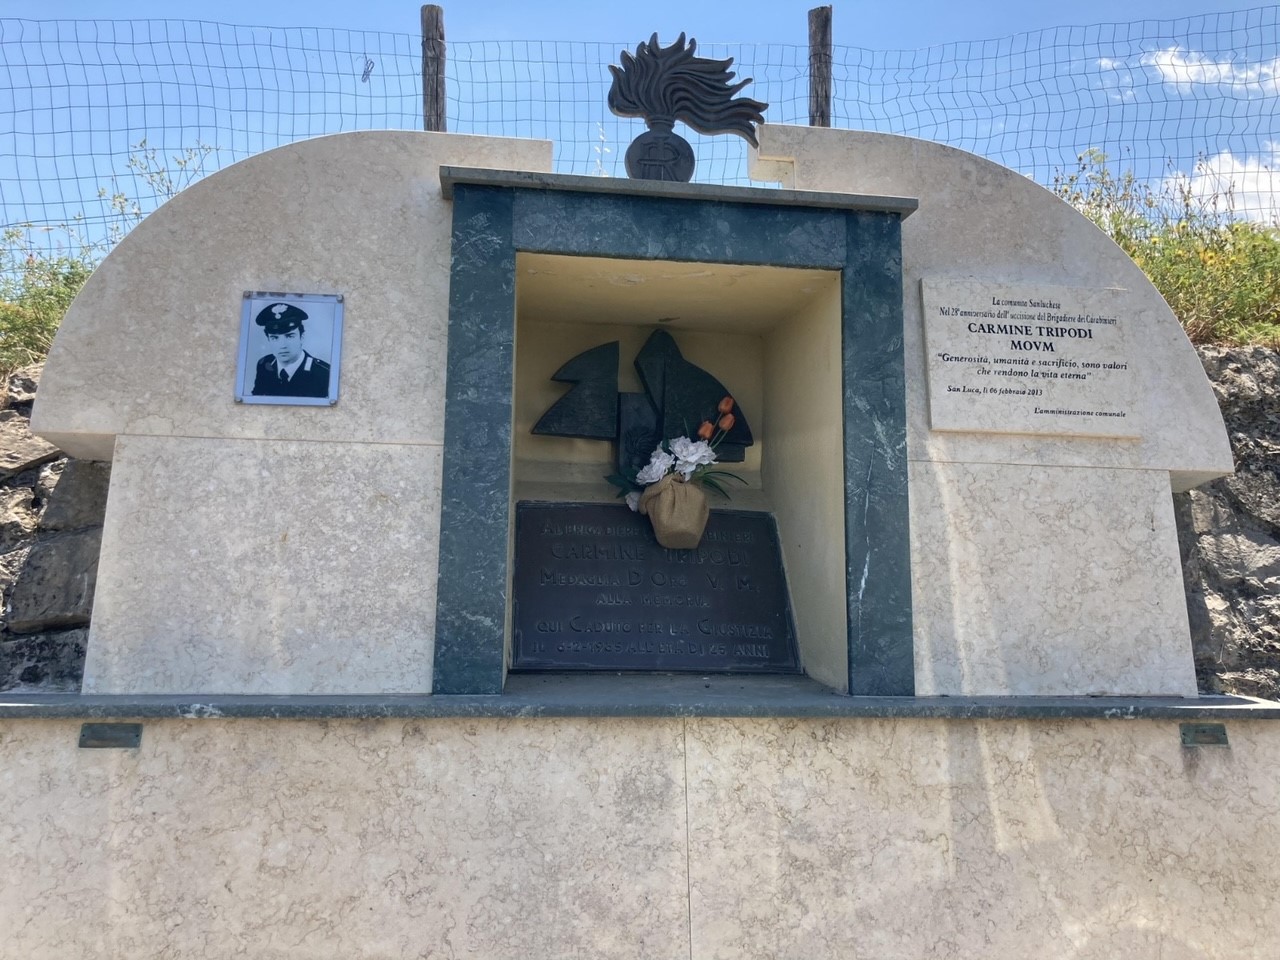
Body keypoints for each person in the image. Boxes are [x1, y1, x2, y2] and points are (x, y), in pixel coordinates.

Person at [250, 302, 331, 398]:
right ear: (268, 339)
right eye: (275, 338)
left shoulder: (323, 373)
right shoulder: (264, 365)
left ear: (302, 337)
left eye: (289, 336)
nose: (282, 345)